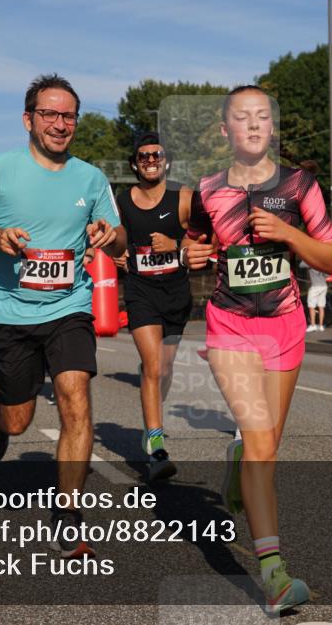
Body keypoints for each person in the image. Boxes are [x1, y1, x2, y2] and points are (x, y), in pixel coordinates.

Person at [0, 73, 125, 559]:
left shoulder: (90, 177)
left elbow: (122, 236)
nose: (59, 123)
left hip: (69, 306)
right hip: (8, 312)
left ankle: (68, 514)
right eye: (49, 114)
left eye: (68, 115)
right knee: (19, 418)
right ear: (29, 119)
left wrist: (112, 235)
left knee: (75, 395)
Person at [181, 85, 332, 613]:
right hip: (229, 324)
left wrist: (289, 235)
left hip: (286, 324)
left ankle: (236, 465)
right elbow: (198, 245)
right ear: (225, 130)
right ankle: (274, 574)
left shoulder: (300, 185)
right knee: (262, 445)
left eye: (262, 117)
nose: (253, 125)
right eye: (241, 118)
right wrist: (194, 254)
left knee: (265, 444)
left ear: (272, 127)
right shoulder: (206, 190)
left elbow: (330, 257)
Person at [114, 132, 192, 481]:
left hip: (176, 291)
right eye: (143, 156)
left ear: (166, 160)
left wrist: (177, 244)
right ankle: (157, 447)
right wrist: (115, 253)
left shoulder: (183, 196)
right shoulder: (123, 200)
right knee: (153, 364)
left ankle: (151, 424)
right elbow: (110, 237)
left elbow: (205, 236)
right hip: (140, 289)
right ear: (135, 163)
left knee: (165, 368)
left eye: (155, 155)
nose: (149, 160)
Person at [303, 260, 328, 332]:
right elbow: (327, 275)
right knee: (321, 306)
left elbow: (301, 265)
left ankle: (313, 325)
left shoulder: (310, 263)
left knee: (311, 306)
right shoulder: (323, 265)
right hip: (323, 286)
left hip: (315, 287)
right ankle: (320, 326)